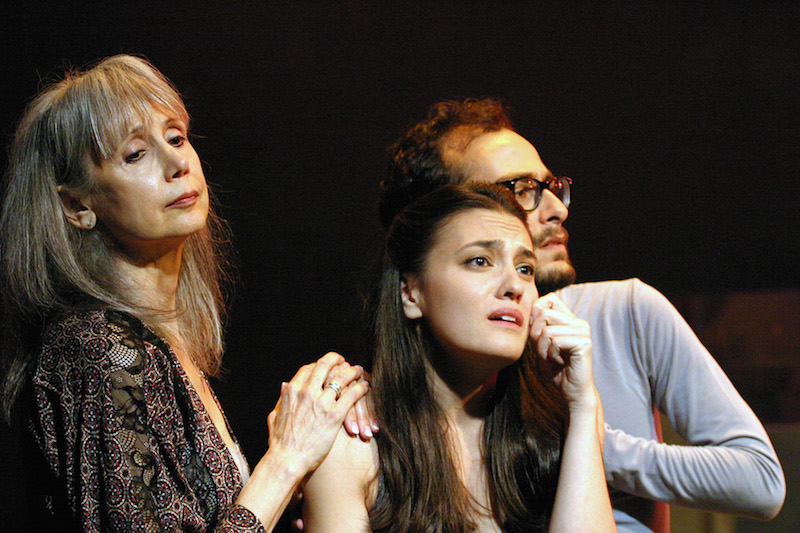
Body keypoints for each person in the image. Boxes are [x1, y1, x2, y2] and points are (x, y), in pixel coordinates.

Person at [0, 54, 375, 532]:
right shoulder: (99, 349)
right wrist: (286, 461)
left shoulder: (156, 349)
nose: (178, 162)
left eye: (176, 137)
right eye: (135, 154)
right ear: (78, 206)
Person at [379, 98, 786, 532]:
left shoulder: (624, 311)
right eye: (520, 189)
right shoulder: (405, 388)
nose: (557, 208)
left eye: (551, 185)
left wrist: (583, 438)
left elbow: (760, 478)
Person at [302, 183, 616, 532]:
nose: (514, 285)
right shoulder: (355, 442)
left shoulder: (554, 427)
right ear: (410, 292)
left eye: (526, 268)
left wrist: (584, 405)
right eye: (479, 261)